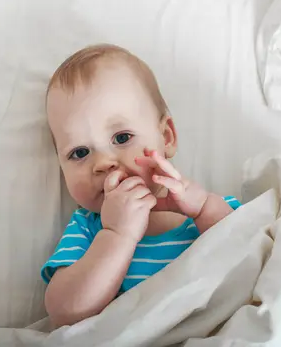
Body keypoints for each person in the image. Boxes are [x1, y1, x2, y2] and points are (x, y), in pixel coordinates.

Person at [42, 44, 241, 328]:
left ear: (167, 137)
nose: (103, 163)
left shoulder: (210, 209)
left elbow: (253, 259)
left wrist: (205, 210)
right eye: (80, 153)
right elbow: (63, 312)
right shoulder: (89, 229)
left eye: (122, 138)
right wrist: (117, 235)